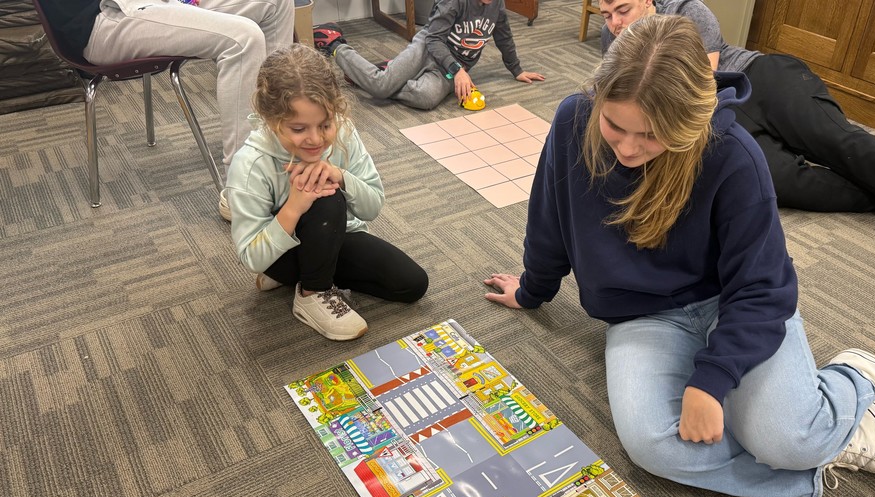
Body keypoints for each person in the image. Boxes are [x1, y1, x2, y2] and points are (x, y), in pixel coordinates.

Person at [485, 14, 875, 497]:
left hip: (730, 303)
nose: (627, 148)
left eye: (650, 135)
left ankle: (855, 383)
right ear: (598, 97)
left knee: (784, 438)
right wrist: (532, 289)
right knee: (654, 448)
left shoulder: (733, 155)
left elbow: (762, 287)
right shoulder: (572, 120)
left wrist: (712, 380)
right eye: (614, 126)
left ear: (687, 123)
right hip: (640, 316)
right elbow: (550, 218)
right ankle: (832, 439)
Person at [598, 0, 875, 280]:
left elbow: (697, 88)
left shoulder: (688, 11)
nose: (615, 23)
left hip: (757, 79)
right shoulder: (613, 40)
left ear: (648, 0)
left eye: (622, 9)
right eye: (606, 15)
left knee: (836, 142)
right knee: (784, 184)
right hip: (720, 117)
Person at [227, 44, 428, 341]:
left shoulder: (344, 131)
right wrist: (294, 206)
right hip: (278, 254)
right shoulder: (249, 165)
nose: (315, 139)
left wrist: (341, 177)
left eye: (325, 124)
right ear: (271, 121)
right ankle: (313, 293)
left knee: (411, 284)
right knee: (325, 197)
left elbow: (372, 207)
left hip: (334, 236)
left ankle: (309, 272)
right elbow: (252, 258)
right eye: (298, 129)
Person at [37, 0, 296, 222]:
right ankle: (242, 187)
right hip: (102, 19)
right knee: (243, 39)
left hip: (152, 4)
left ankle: (279, 154)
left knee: (277, 3)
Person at [312, 0, 544, 110]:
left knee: (426, 99)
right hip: (429, 49)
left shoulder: (497, 6)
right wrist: (458, 71)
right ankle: (334, 43)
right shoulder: (454, 1)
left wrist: (516, 69)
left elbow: (504, 36)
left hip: (451, 67)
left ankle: (380, 73)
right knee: (380, 88)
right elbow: (433, 39)